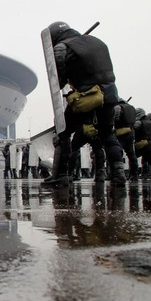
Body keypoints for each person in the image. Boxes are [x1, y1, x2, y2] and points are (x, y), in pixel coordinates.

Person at [43, 21, 126, 186]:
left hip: (87, 97)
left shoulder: (62, 47)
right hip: (109, 95)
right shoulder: (97, 41)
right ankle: (119, 175)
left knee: (63, 131)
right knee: (108, 135)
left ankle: (61, 174)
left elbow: (58, 81)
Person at [113, 99, 139, 180]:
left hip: (120, 132)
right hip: (130, 132)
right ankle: (134, 174)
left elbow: (115, 118)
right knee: (131, 154)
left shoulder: (118, 107)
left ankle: (117, 173)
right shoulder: (132, 108)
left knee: (117, 152)